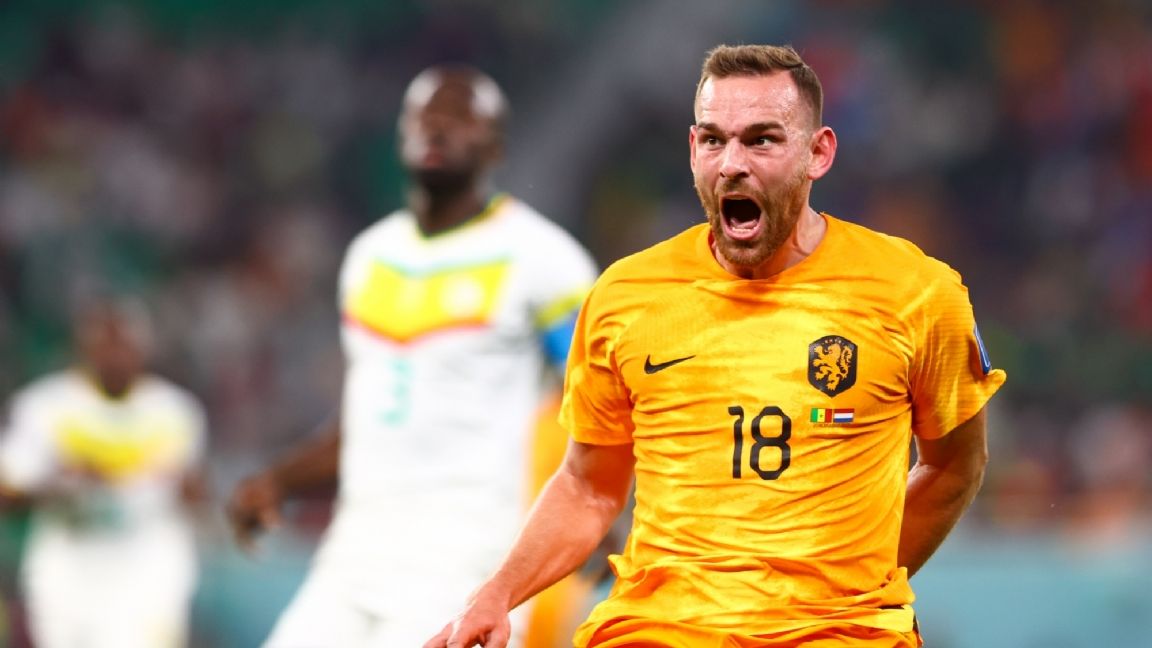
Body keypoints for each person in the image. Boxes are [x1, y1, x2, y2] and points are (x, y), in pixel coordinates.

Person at [426, 43, 1007, 648]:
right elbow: (589, 485)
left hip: (839, 635)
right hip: (657, 631)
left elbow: (953, 464)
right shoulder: (626, 296)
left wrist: (850, 579)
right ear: (692, 149)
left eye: (762, 140)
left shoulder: (916, 293)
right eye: (713, 140)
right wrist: (495, 595)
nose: (732, 164)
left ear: (818, 152)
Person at [225, 64, 599, 648]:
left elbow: (606, 399)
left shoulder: (544, 260)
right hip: (354, 553)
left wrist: (603, 508)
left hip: (468, 559)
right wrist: (278, 480)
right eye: (424, 116)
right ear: (401, 135)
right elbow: (368, 418)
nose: (437, 128)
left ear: (495, 147)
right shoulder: (370, 257)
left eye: (459, 118)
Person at [0, 297, 208, 648]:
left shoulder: (176, 411)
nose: (115, 356)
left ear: (143, 349)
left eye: (124, 345)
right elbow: (8, 491)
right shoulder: (44, 406)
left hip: (148, 580)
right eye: (105, 345)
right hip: (67, 584)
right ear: (84, 348)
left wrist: (190, 492)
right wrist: (62, 484)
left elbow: (195, 491)